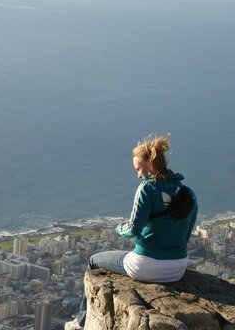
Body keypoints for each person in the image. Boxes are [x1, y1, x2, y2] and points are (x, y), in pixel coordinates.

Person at [65, 134, 198, 330]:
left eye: (139, 168)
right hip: (178, 268)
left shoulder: (147, 189)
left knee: (94, 261)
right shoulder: (188, 193)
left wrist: (119, 228)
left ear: (151, 163)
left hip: (145, 266)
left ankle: (81, 321)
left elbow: (134, 229)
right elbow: (187, 233)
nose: (138, 174)